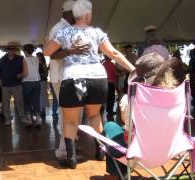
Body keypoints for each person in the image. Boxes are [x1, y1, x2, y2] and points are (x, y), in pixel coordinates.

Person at [44, 0, 135, 169]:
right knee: (94, 116)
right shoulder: (97, 32)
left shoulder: (64, 32)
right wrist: (133, 69)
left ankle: (71, 158)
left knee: (70, 121)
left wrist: (67, 49)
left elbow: (47, 52)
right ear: (87, 15)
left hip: (73, 79)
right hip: (97, 79)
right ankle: (101, 151)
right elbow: (114, 53)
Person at [106, 53, 187, 179]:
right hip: (171, 151)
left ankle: (115, 176)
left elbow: (127, 123)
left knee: (111, 127)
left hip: (138, 156)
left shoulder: (130, 100)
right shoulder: (178, 97)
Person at [48, 0, 76, 161]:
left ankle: (69, 146)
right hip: (61, 77)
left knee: (72, 114)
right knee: (67, 113)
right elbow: (52, 53)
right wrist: (73, 51)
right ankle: (64, 150)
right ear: (68, 13)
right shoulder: (58, 29)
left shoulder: (68, 29)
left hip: (68, 76)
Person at [0, 42, 27, 126]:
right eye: (9, 49)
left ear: (15, 50)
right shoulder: (2, 59)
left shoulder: (21, 58)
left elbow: (25, 70)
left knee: (19, 101)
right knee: (5, 102)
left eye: (12, 49)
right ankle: (7, 118)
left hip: (17, 83)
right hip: (5, 84)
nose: (11, 50)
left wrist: (21, 75)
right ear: (7, 50)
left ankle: (22, 117)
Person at [22, 44, 42, 127]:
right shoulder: (37, 58)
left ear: (25, 51)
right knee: (36, 101)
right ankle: (38, 119)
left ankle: (29, 120)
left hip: (28, 82)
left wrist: (19, 75)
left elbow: (25, 73)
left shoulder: (25, 60)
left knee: (27, 102)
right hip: (38, 81)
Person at [102, 56, 117, 120]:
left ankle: (103, 109)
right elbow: (115, 73)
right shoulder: (111, 64)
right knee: (111, 97)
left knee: (105, 97)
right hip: (111, 83)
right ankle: (110, 111)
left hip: (104, 82)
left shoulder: (103, 64)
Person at [37, 52, 49, 120]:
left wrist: (39, 74)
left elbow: (46, 74)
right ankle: (40, 110)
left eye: (39, 56)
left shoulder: (43, 64)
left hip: (43, 81)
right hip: (38, 81)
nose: (38, 57)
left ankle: (43, 111)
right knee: (39, 96)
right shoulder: (36, 64)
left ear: (41, 57)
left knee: (43, 96)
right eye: (37, 56)